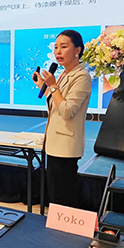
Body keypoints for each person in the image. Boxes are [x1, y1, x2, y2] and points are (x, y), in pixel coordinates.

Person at [33, 30, 92, 208]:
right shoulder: (65, 73)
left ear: (77, 50)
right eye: (56, 47)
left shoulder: (82, 76)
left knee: (63, 197)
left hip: (66, 146)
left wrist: (52, 86)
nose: (58, 51)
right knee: (55, 195)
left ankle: (64, 225)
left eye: (64, 47)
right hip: (55, 143)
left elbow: (67, 111)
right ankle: (56, 223)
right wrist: (44, 86)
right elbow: (57, 103)